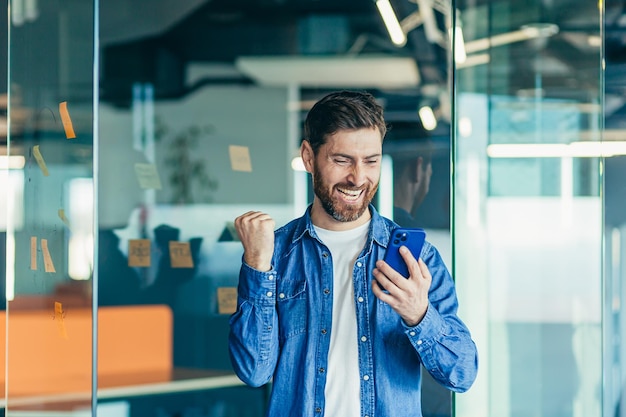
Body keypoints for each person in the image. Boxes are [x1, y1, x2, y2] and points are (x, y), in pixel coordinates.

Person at [228, 90, 478, 417]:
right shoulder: (275, 254)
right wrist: (257, 267)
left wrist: (419, 314)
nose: (358, 178)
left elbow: (461, 373)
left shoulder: (414, 260)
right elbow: (254, 371)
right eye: (342, 160)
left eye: (371, 161)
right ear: (308, 157)